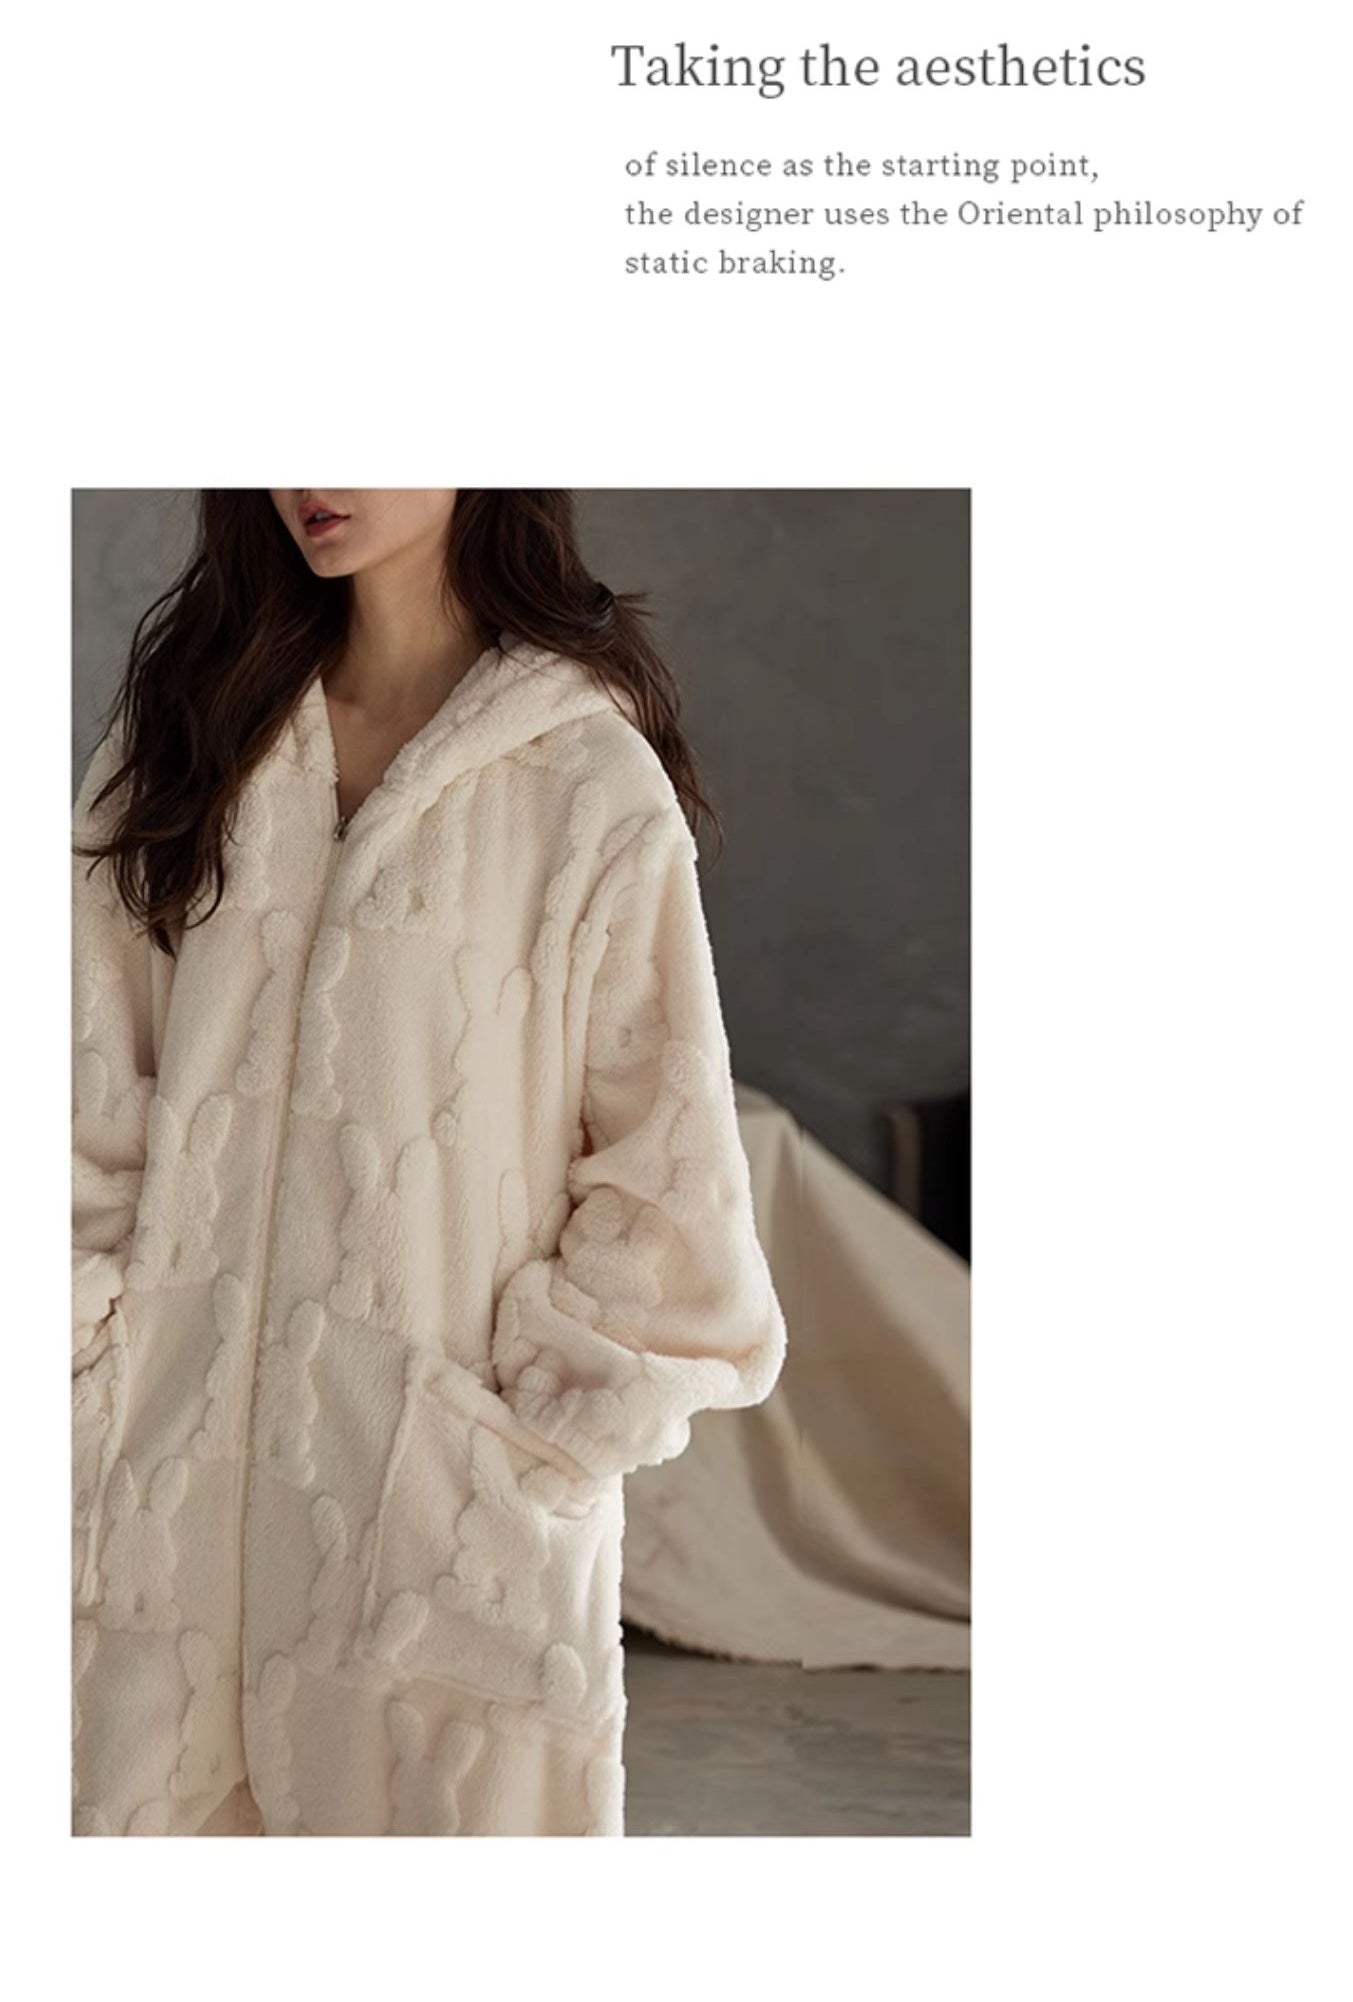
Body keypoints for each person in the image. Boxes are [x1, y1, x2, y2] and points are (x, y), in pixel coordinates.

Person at [71, 489, 786, 1836]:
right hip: (152, 1531)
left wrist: (523, 1449)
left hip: (438, 1538)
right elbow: (74, 1096)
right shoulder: (185, 737)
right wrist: (86, 1376)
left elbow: (666, 1176)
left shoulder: (586, 783)